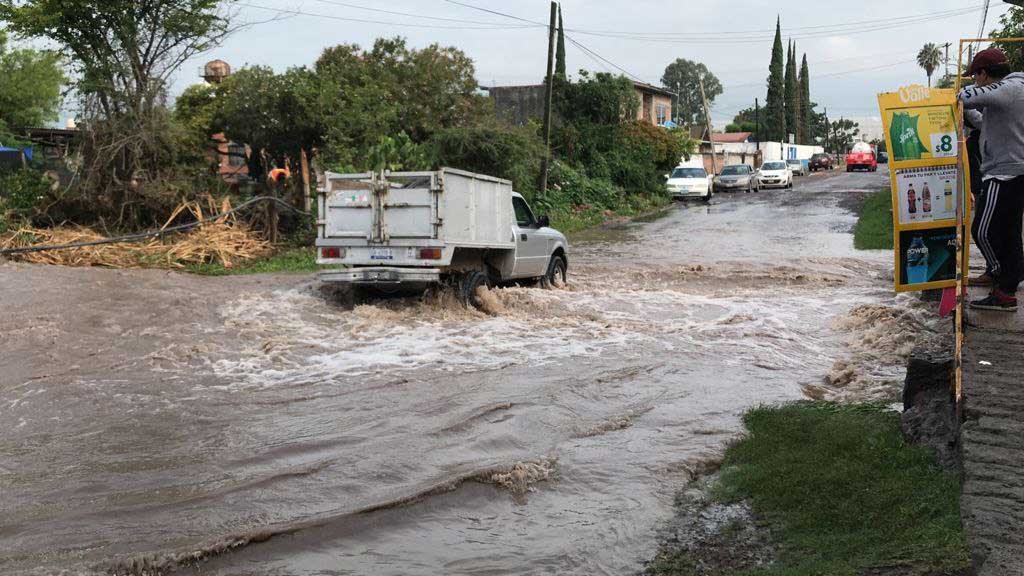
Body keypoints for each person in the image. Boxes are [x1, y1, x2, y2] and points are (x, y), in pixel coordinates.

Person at [959, 48, 1024, 311]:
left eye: (976, 76)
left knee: (983, 230)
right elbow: (985, 123)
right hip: (1010, 170)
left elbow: (966, 95)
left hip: (1004, 172)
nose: (975, 81)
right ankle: (1009, 281)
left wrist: (956, 98)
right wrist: (965, 113)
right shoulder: (1010, 94)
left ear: (984, 74)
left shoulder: (1010, 89)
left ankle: (1004, 281)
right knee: (1008, 232)